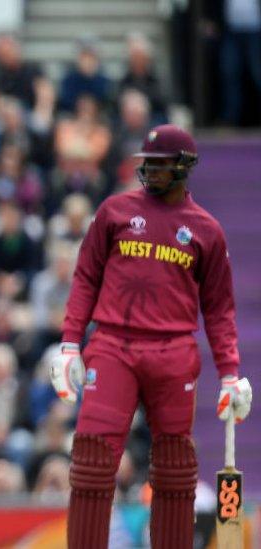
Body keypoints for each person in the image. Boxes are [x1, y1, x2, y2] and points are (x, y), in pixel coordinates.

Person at [48, 124, 254, 548]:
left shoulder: (206, 230)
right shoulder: (114, 212)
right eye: (149, 164)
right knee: (91, 462)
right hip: (112, 345)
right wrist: (70, 344)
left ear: (185, 167)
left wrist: (230, 373)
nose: (152, 171)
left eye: (162, 165)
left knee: (175, 470)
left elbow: (218, 309)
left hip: (174, 351)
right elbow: (86, 276)